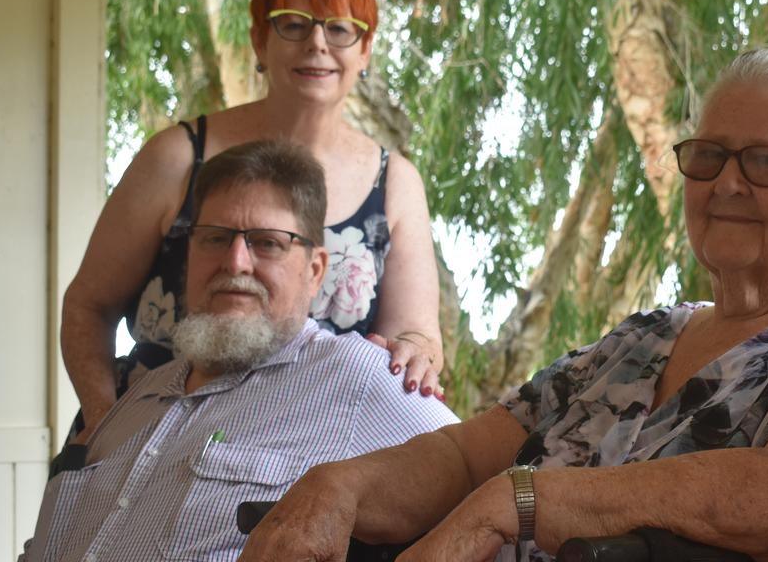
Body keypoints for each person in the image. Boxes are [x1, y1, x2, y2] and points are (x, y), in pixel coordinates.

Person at [239, 46, 768, 562]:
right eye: (710, 156)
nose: (727, 184)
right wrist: (339, 484)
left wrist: (524, 502)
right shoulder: (642, 341)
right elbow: (467, 454)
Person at [62, 0, 445, 446]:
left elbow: (416, 336)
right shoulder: (177, 157)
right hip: (143, 450)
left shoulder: (395, 183)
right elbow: (87, 306)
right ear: (259, 41)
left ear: (364, 50)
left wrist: (417, 353)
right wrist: (103, 421)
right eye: (293, 24)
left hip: (303, 465)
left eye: (340, 29)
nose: (316, 43)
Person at [23, 141, 458, 561]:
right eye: (214, 238)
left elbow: (497, 493)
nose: (235, 262)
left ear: (315, 269)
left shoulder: (358, 378)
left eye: (267, 242)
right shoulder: (137, 399)